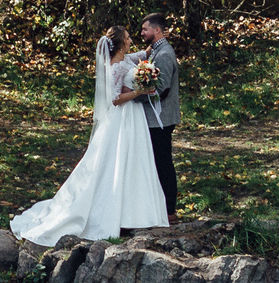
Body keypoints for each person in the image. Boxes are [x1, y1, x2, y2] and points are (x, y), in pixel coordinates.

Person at [9, 24, 168, 247]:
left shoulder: (127, 59)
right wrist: (138, 92)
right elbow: (114, 98)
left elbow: (144, 54)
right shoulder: (115, 67)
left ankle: (137, 213)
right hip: (123, 118)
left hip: (135, 118)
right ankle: (116, 213)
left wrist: (158, 42)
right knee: (116, 161)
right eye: (129, 38)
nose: (132, 40)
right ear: (121, 42)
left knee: (136, 161)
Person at [115, 13, 181, 223]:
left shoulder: (164, 54)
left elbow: (160, 89)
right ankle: (157, 207)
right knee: (154, 163)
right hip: (153, 118)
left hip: (160, 119)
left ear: (157, 30)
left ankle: (170, 210)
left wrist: (134, 98)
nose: (142, 33)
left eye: (145, 29)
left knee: (163, 163)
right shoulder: (157, 50)